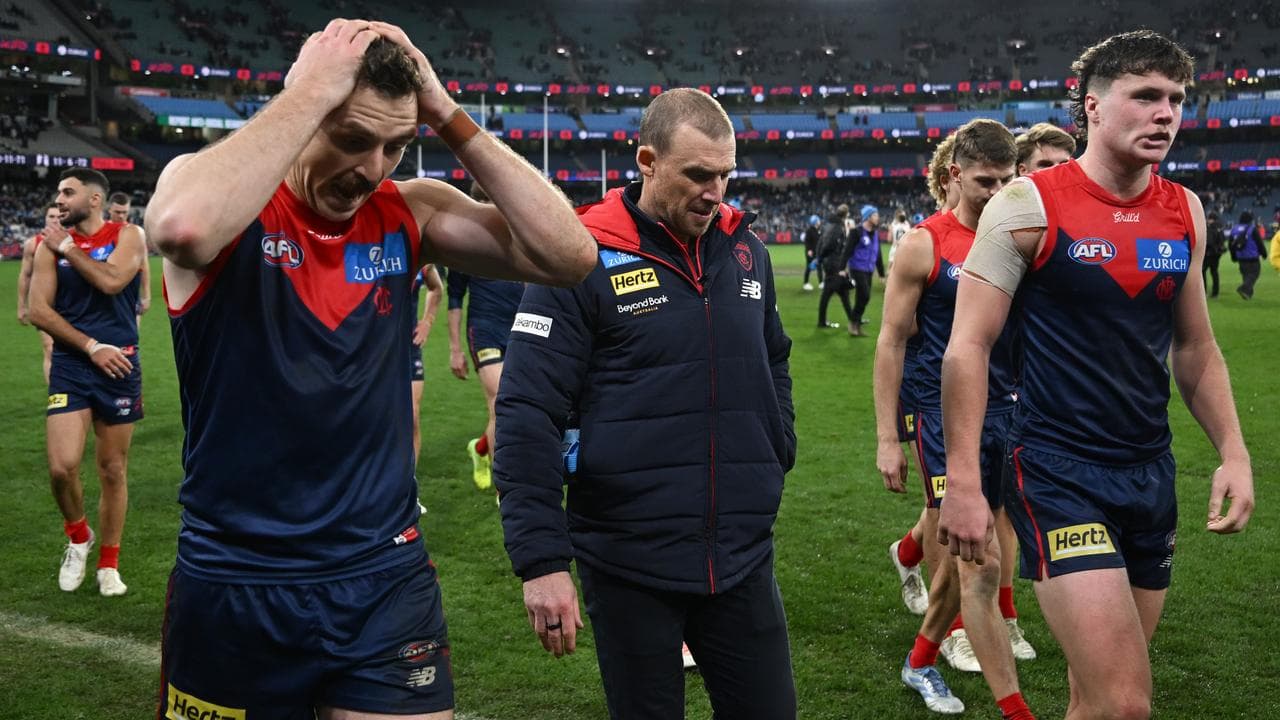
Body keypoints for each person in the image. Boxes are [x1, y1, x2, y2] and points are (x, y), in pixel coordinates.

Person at [145, 21, 595, 719]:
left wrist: (446, 115)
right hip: (239, 578)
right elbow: (181, 230)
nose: (373, 166)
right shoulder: (226, 203)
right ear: (308, 109)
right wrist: (309, 91)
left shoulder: (408, 213)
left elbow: (569, 257)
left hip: (383, 576)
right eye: (351, 138)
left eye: (395, 144)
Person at [941, 31, 1254, 720]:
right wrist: (964, 480)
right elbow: (967, 346)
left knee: (1093, 701)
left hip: (1150, 473)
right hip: (1057, 472)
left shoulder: (1186, 212)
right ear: (1093, 108)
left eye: (1175, 99)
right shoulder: (1027, 205)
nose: (1165, 113)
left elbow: (1196, 349)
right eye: (1145, 97)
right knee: (1125, 704)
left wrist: (1232, 451)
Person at [494, 87, 797, 720]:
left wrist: (776, 446)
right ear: (647, 160)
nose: (715, 193)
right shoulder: (579, 256)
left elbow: (773, 355)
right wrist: (542, 561)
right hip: (630, 559)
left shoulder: (747, 250)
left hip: (741, 553)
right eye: (697, 175)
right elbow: (526, 410)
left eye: (724, 175)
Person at [875, 119, 1031, 718]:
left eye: (1006, 180)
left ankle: (918, 660)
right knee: (980, 560)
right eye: (985, 181)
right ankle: (1015, 708)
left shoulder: (1021, 239)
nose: (996, 192)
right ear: (952, 176)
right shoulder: (925, 244)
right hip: (945, 420)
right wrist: (889, 436)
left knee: (974, 547)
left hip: (1011, 413)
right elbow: (890, 341)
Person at [28, 168, 146, 598]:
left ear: (94, 200)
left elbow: (114, 281)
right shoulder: (47, 247)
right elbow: (38, 310)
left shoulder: (129, 234)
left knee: (113, 469)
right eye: (58, 192)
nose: (59, 198)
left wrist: (70, 248)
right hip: (73, 364)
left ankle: (109, 564)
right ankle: (79, 536)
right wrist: (91, 345)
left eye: (68, 192)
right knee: (61, 467)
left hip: (120, 365)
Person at [445, 183, 525, 492]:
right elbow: (454, 300)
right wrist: (454, 349)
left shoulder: (518, 237)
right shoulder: (465, 249)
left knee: (519, 405)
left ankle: (479, 450)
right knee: (500, 403)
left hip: (519, 328)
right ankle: (503, 491)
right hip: (484, 328)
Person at [18, 203, 61, 384]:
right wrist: (21, 306)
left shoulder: (73, 242)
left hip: (70, 303)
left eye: (59, 216)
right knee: (49, 348)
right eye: (51, 216)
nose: (55, 220)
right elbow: (25, 275)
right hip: (43, 303)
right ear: (45, 219)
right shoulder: (32, 244)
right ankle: (55, 395)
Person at [411, 263, 444, 466]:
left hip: (407, 348)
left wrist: (427, 321)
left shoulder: (416, 259)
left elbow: (437, 288)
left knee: (412, 417)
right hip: (373, 351)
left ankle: (408, 485)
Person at [107, 192, 151, 325]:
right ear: (109, 209)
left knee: (131, 338)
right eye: (117, 212)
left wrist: (146, 295)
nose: (121, 216)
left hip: (131, 293)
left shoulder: (135, 234)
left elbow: (143, 265)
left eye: (124, 212)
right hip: (106, 293)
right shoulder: (100, 232)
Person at [816, 203, 856, 332]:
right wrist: (822, 258)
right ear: (846, 214)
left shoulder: (829, 225)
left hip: (831, 263)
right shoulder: (837, 227)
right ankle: (822, 321)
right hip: (834, 264)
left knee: (842, 291)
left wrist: (820, 258)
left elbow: (821, 242)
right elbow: (828, 245)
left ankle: (853, 318)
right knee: (830, 292)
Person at [848, 204, 880, 336]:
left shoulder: (875, 233)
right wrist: (842, 268)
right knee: (865, 295)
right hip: (857, 268)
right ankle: (853, 322)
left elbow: (878, 254)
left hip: (868, 269)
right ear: (868, 217)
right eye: (875, 215)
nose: (878, 217)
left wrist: (882, 273)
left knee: (863, 298)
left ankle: (856, 324)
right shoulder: (857, 232)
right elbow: (847, 250)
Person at [1229, 211, 1266, 299]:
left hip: (1241, 257)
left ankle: (1247, 294)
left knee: (1246, 275)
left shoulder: (1234, 229)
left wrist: (1233, 257)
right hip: (1252, 256)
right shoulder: (1252, 228)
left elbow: (1231, 245)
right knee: (1254, 274)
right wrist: (1264, 253)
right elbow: (1259, 242)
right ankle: (1243, 288)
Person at [1203, 211, 1226, 298]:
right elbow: (1223, 239)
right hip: (1217, 253)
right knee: (1214, 272)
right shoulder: (1220, 227)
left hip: (1209, 253)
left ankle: (1204, 291)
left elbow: (1209, 241)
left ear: (1210, 219)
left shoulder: (1210, 227)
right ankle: (1215, 292)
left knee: (1203, 271)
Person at [802, 213, 821, 290]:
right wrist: (809, 250)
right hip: (811, 252)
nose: (819, 222)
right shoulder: (809, 231)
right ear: (815, 222)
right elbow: (807, 242)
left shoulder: (817, 230)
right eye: (818, 220)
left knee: (819, 267)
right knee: (809, 267)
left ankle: (821, 282)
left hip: (817, 252)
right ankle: (806, 283)